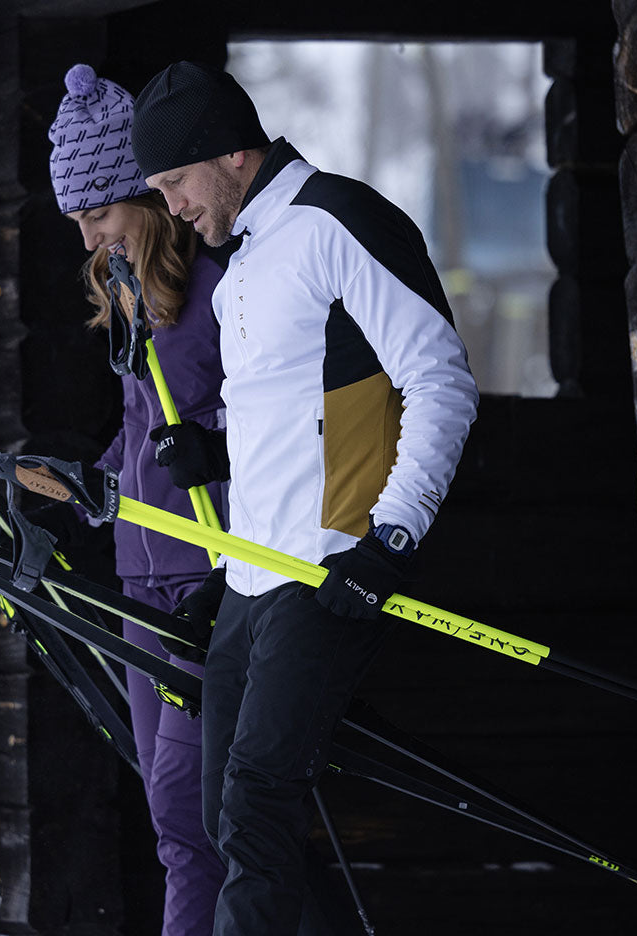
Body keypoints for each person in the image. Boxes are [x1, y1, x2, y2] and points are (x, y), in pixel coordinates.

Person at [130, 61, 480, 935]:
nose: (172, 208)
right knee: (228, 815)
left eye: (175, 182)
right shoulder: (246, 260)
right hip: (255, 577)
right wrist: (212, 456)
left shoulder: (337, 220)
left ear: (231, 155)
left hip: (330, 570)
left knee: (254, 806)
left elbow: (439, 380)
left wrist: (389, 540)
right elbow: (292, 420)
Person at [46, 63, 228, 936]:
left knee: (188, 815)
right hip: (141, 580)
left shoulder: (224, 293)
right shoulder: (130, 300)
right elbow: (143, 428)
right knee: (173, 821)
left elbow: (267, 422)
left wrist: (217, 441)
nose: (90, 237)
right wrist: (90, 481)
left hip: (212, 583)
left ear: (148, 199)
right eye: (78, 222)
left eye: (100, 215)